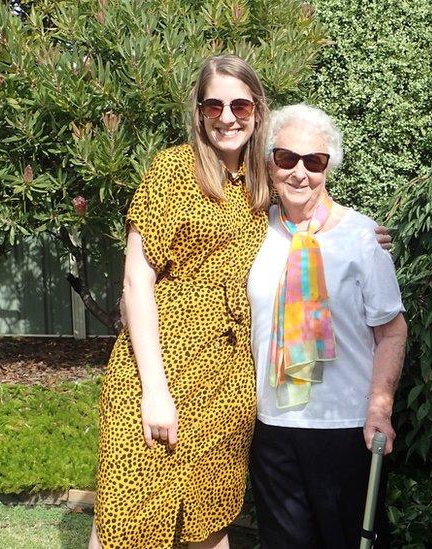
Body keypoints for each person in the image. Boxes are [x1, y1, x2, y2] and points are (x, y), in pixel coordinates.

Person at [89, 54, 272, 549]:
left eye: (240, 104)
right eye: (214, 106)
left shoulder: (265, 184)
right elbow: (136, 282)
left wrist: (362, 235)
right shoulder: (172, 170)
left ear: (258, 110)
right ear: (199, 112)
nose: (228, 117)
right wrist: (155, 390)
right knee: (125, 519)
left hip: (228, 378)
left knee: (209, 518)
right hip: (158, 363)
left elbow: (315, 211)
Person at [247, 103, 408, 549]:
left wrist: (380, 406)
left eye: (314, 162)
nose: (300, 173)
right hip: (272, 427)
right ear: (269, 162)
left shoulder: (361, 237)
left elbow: (392, 330)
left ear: (328, 168)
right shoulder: (251, 233)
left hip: (345, 427)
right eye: (287, 158)